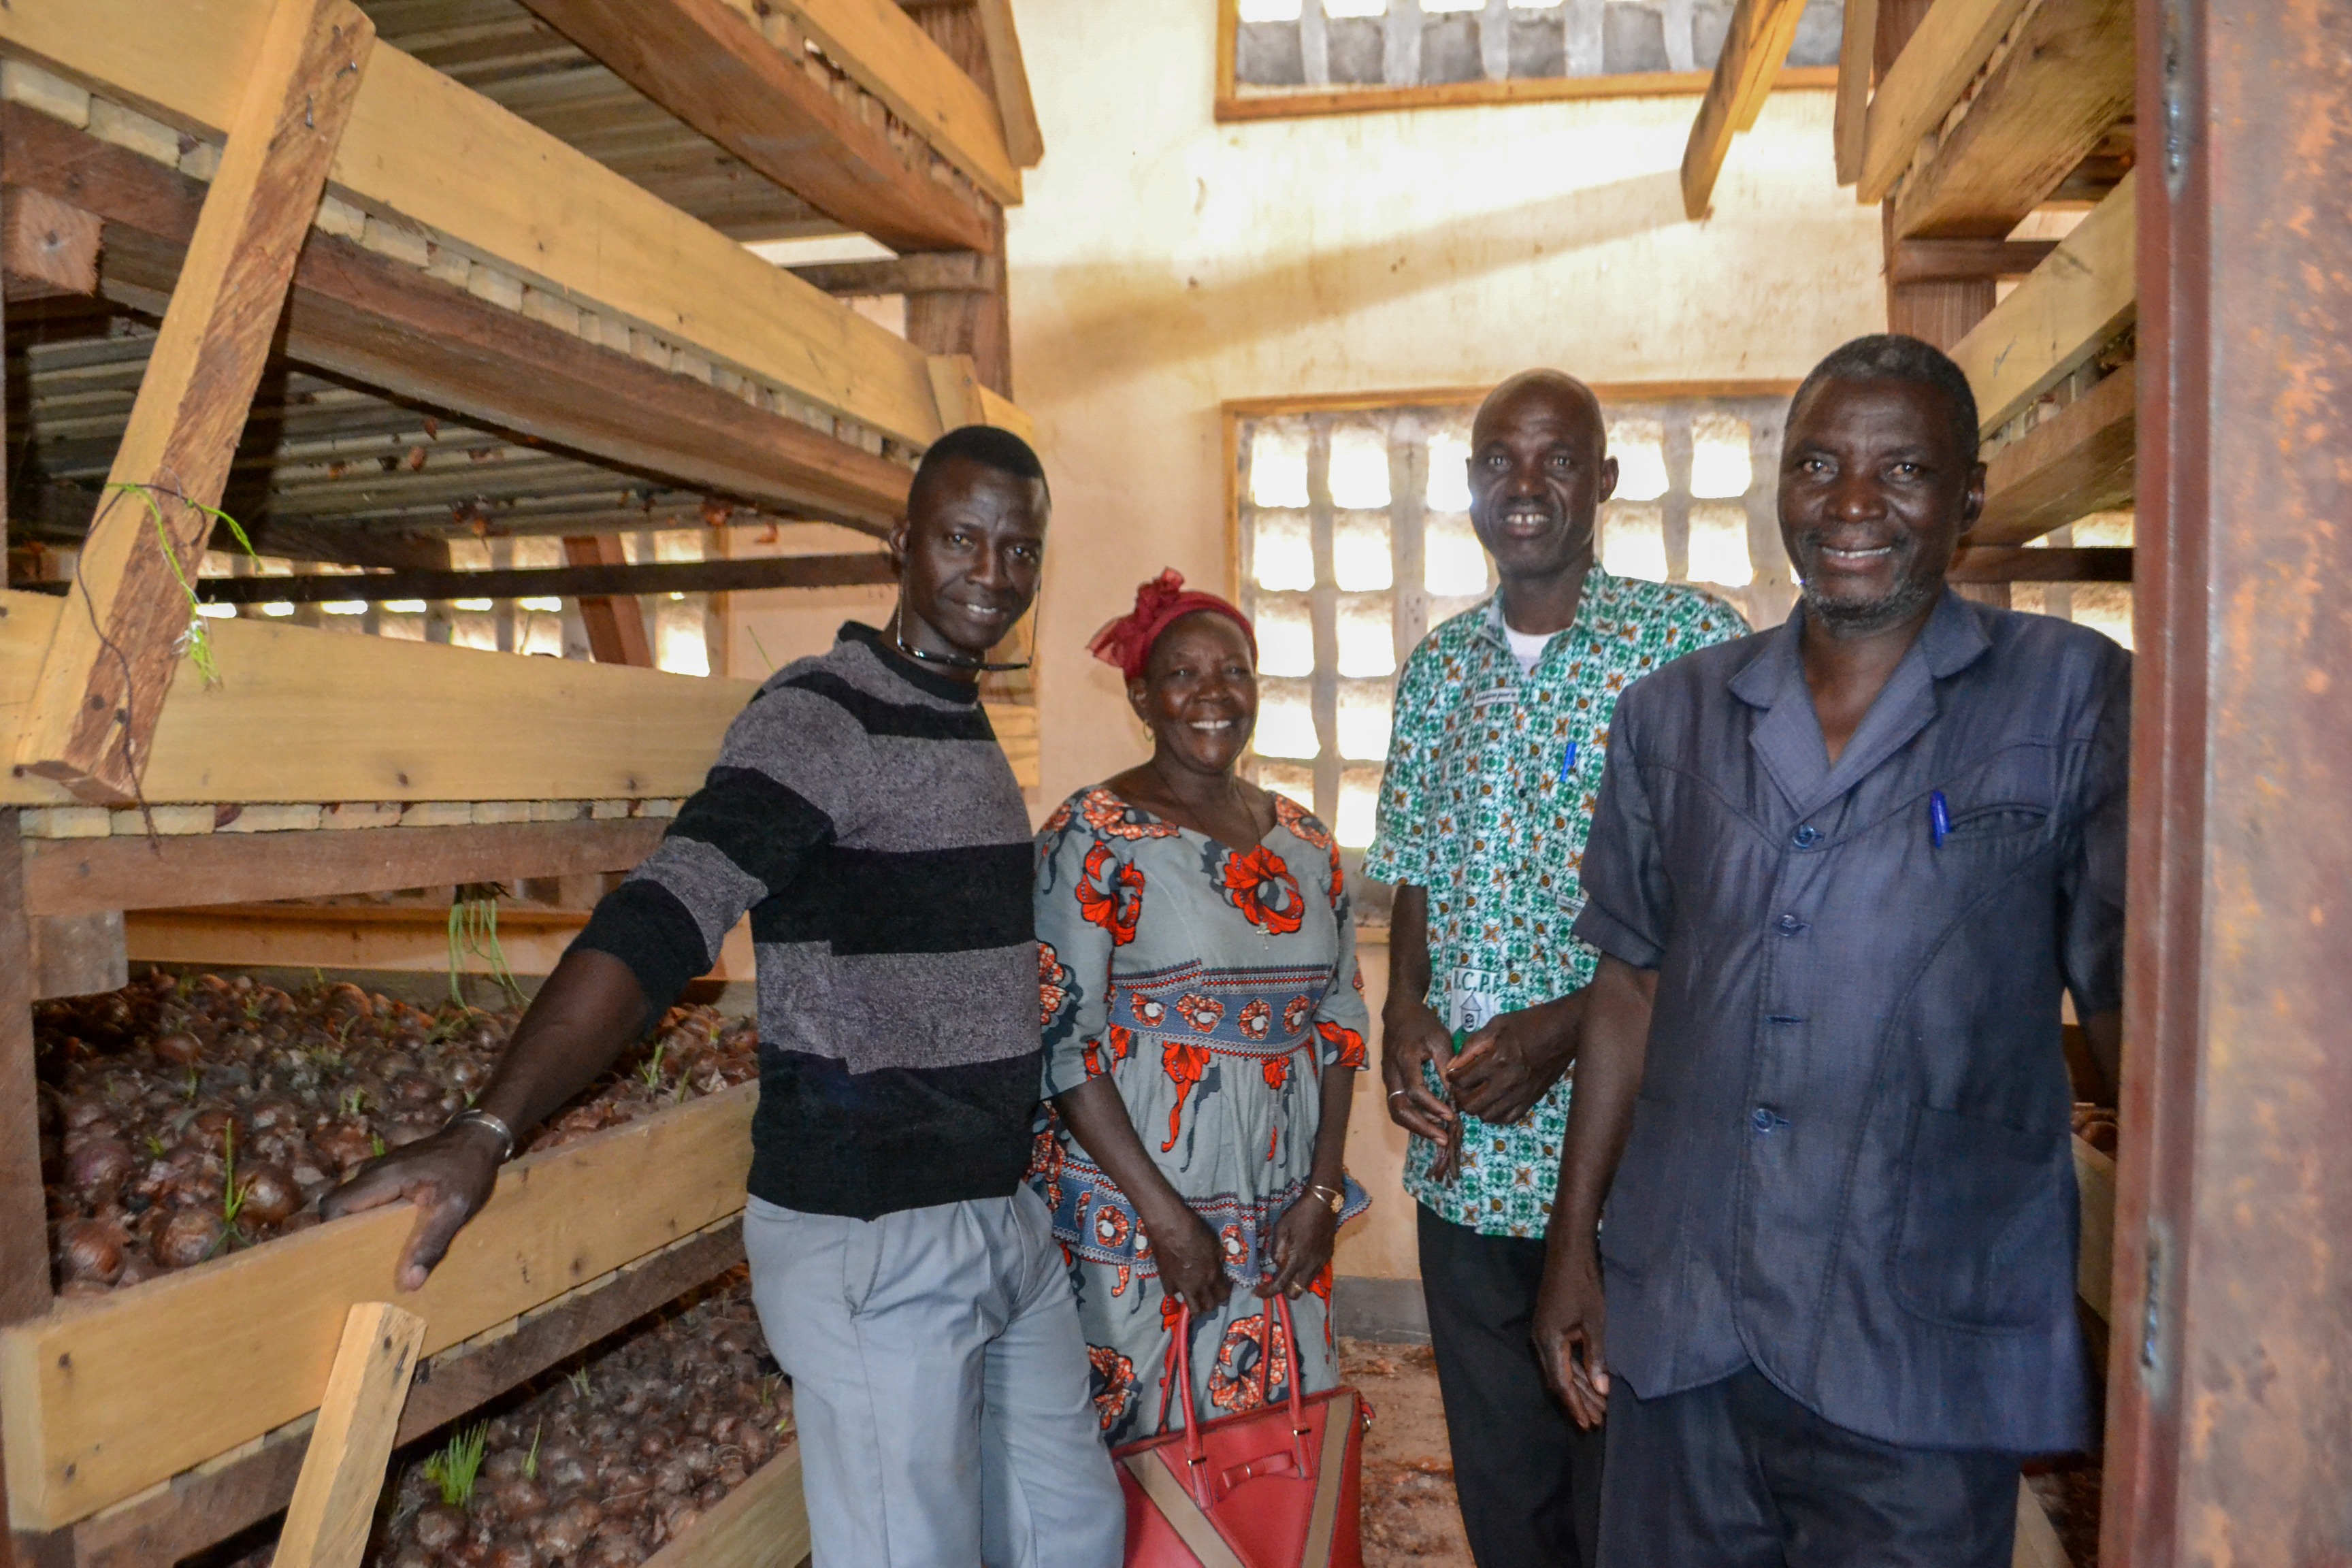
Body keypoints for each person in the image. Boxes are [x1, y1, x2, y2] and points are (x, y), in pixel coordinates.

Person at [324, 426, 1124, 1568]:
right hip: (875, 1235)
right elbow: (664, 914)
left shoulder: (955, 712)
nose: (991, 575)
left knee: (1075, 1531)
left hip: (997, 1218)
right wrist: (486, 1127)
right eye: (961, 539)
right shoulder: (820, 716)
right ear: (901, 542)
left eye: (1019, 550)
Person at [1533, 335, 2129, 1567]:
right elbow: (1631, 981)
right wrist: (1573, 1239)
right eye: (1817, 463)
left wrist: (2191, 1263)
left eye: (1902, 467)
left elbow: (2130, 1001)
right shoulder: (1675, 711)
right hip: (1690, 1307)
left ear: (1966, 494)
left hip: (1921, 1323)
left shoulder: (2067, 696)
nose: (1851, 503)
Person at [1365, 371, 1746, 1568]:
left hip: (1628, 1152)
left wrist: (1561, 1031)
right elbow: (1417, 866)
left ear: (1605, 482)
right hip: (1464, 1157)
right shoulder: (1440, 669)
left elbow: (1728, 906)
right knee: (1503, 1483)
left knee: (1624, 1483)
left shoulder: (1688, 646)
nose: (1523, 486)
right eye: (1497, 460)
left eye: (1556, 459)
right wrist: (1403, 1003)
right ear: (1469, 482)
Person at [1030, 569, 1371, 1444]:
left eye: (1236, 671)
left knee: (1271, 1445)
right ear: (1141, 695)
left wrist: (1324, 1195)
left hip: (1285, 1203)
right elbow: (1064, 1043)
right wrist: (1165, 1219)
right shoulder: (1092, 836)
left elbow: (1340, 1023)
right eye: (1184, 675)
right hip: (1140, 1204)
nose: (1214, 695)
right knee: (1142, 1447)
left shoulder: (1305, 841)